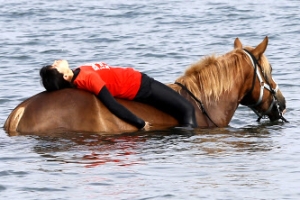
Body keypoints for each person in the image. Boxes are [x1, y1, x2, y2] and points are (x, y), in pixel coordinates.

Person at [39, 60, 197, 130]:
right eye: (55, 66)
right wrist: (140, 123)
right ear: (65, 76)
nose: (56, 62)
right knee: (187, 109)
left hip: (137, 82)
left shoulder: (78, 76)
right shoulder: (88, 79)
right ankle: (189, 147)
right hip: (141, 86)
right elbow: (112, 104)